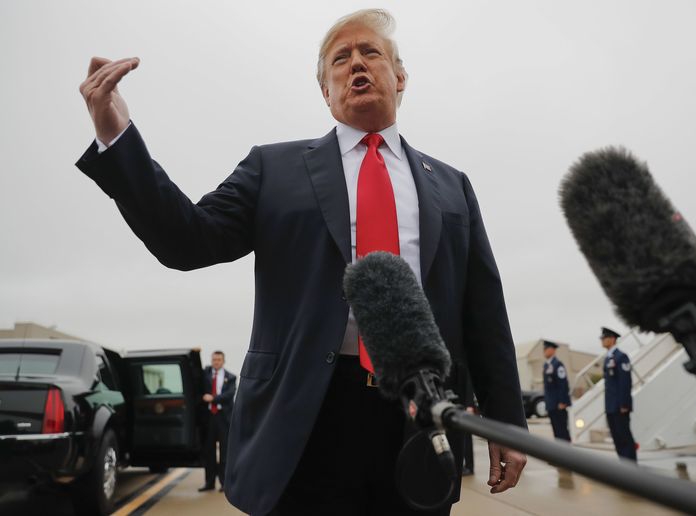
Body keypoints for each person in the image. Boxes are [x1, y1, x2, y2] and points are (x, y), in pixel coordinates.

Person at [75, 9, 526, 515]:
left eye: (370, 52)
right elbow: (187, 241)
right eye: (340, 58)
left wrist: (507, 423)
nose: (356, 63)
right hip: (302, 418)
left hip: (416, 420)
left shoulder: (452, 186)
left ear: (400, 78)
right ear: (325, 92)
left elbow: (484, 313)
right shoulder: (274, 169)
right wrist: (118, 139)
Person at [199, 351, 237, 493]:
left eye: (219, 359)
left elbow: (229, 395)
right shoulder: (206, 374)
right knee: (208, 451)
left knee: (224, 452)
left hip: (223, 418)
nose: (216, 362)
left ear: (223, 361)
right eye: (214, 359)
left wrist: (213, 399)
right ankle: (209, 483)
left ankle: (224, 483)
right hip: (209, 418)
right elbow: (196, 372)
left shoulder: (231, 377)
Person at [600, 327, 637, 461]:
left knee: (624, 437)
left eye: (604, 338)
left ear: (613, 339)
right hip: (610, 406)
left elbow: (625, 382)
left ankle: (631, 467)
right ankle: (623, 465)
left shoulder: (621, 357)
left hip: (620, 406)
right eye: (602, 338)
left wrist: (624, 404)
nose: (602, 340)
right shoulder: (608, 358)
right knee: (616, 438)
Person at [541, 341, 571, 442]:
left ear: (552, 350)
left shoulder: (558, 365)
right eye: (544, 349)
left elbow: (563, 384)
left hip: (559, 404)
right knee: (556, 432)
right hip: (551, 404)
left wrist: (563, 402)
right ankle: (561, 454)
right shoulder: (546, 365)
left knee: (562, 431)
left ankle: (567, 454)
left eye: (546, 349)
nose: (544, 351)